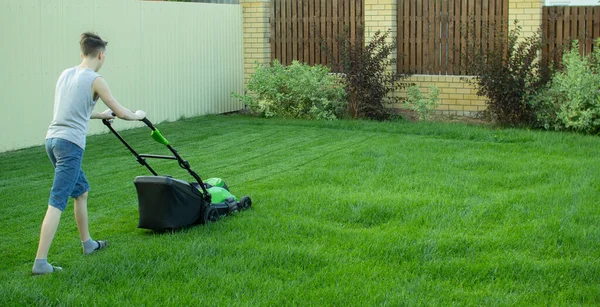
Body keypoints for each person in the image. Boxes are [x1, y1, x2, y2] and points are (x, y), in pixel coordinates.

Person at [32, 32, 146, 275]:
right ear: (101, 54)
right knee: (57, 201)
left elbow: (71, 111)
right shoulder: (96, 79)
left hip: (52, 141)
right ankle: (40, 263)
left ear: (82, 52)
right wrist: (138, 115)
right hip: (70, 145)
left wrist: (101, 115)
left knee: (81, 191)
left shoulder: (66, 74)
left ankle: (88, 244)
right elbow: (121, 111)